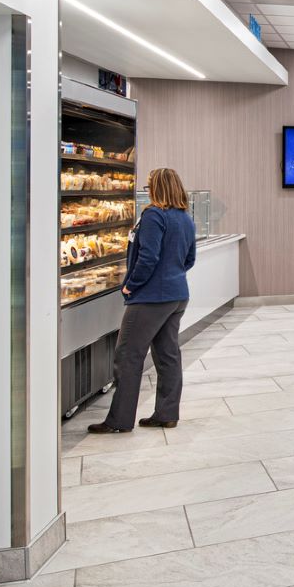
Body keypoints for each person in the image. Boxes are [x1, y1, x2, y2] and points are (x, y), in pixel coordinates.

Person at [89, 167, 198, 434]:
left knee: (128, 355)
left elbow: (147, 258)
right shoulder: (185, 218)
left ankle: (119, 420)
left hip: (150, 298)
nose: (146, 190)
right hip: (177, 295)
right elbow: (189, 259)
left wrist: (130, 285)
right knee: (168, 356)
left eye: (149, 185)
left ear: (157, 188)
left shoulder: (153, 215)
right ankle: (166, 414)